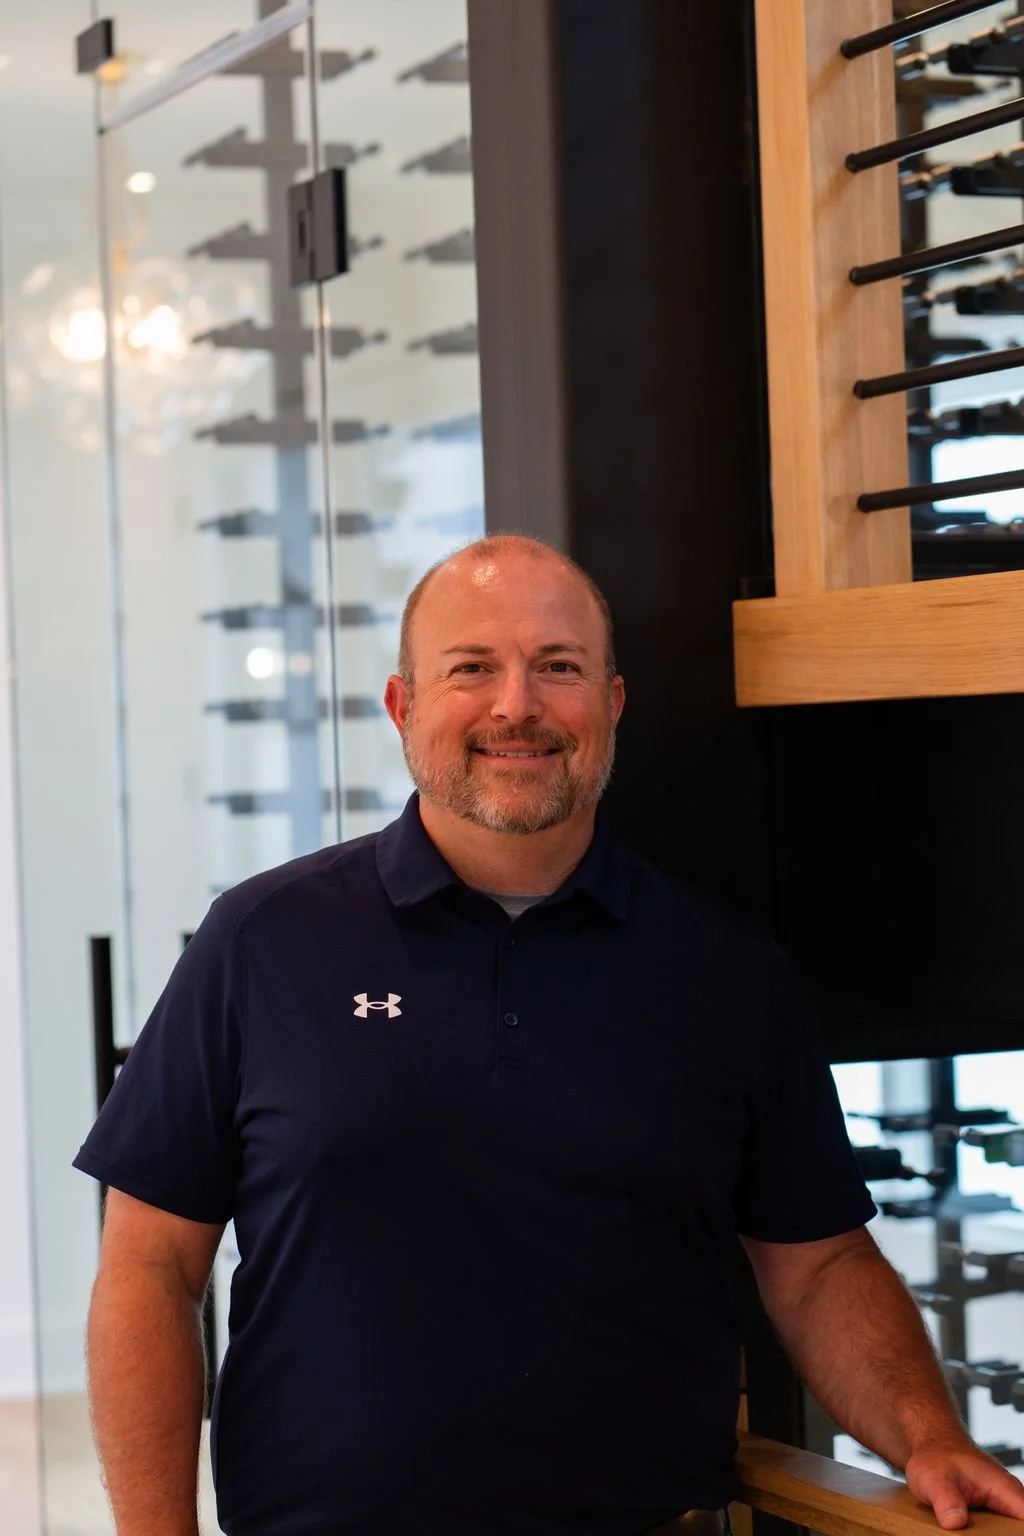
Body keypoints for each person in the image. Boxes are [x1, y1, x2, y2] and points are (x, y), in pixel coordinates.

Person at [75, 534, 1024, 1536]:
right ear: (403, 708)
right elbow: (149, 1267)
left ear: (609, 708)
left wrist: (929, 1435)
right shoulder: (262, 942)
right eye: (470, 669)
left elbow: (820, 1265)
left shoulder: (728, 974)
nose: (517, 707)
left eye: (557, 668)